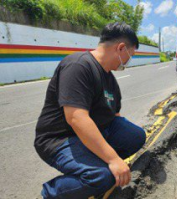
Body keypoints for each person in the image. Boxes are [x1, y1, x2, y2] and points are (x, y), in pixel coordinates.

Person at [34, 22, 146, 199]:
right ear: (121, 48)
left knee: (136, 136)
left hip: (93, 131)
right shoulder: (78, 66)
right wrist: (113, 159)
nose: (128, 62)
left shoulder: (110, 78)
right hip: (60, 139)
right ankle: (52, 193)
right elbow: (77, 118)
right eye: (130, 56)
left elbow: (115, 116)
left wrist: (111, 152)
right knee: (102, 178)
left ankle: (94, 160)